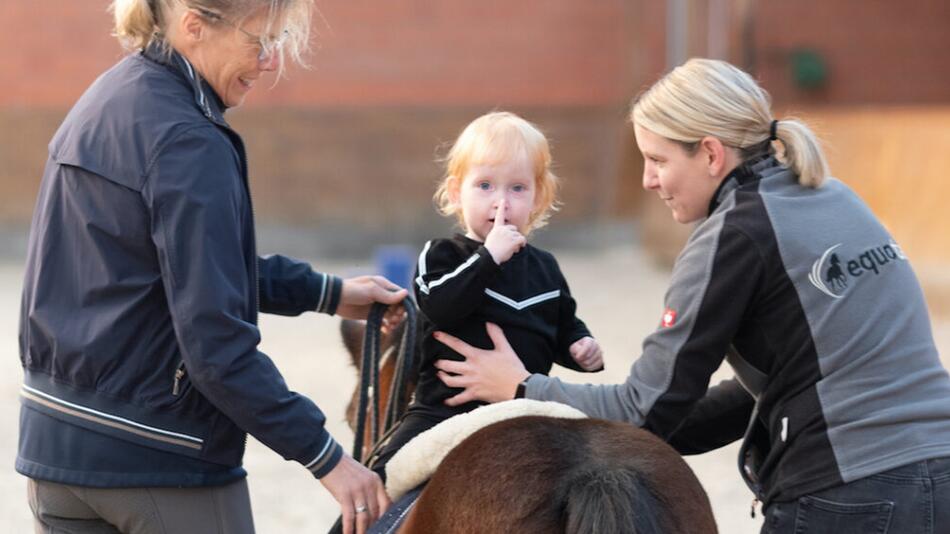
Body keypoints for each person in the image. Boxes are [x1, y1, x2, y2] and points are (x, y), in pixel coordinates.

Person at [431, 59, 950, 533]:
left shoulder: (735, 234)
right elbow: (761, 391)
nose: (648, 180)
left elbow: (645, 408)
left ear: (709, 153)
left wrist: (523, 388)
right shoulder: (834, 197)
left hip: (853, 494)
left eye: (657, 159)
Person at [17, 1, 407, 533]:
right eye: (259, 40)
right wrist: (328, 459)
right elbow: (217, 349)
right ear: (194, 26)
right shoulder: (188, 139)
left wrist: (326, 292)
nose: (269, 62)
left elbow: (173, 268)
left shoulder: (108, 97)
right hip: (159, 461)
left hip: (54, 453)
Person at [368, 111, 604, 480]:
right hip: (443, 414)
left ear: (538, 197)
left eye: (517, 188)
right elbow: (442, 308)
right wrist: (489, 258)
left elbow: (560, 324)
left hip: (528, 409)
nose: (501, 203)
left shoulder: (545, 267)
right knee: (376, 482)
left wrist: (581, 346)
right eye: (485, 186)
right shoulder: (442, 254)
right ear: (454, 192)